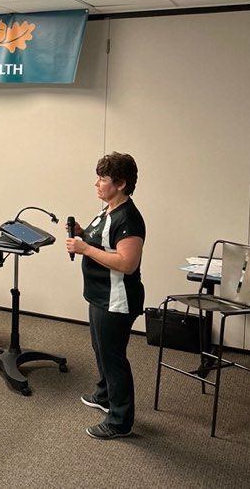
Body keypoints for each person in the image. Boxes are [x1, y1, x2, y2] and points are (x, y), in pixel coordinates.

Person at [66, 152, 145, 441]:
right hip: (100, 295)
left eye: (103, 179)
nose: (96, 184)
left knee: (113, 358)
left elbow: (127, 263)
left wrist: (84, 249)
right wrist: (82, 233)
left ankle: (120, 421)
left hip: (116, 299)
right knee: (100, 349)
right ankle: (104, 395)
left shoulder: (128, 219)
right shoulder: (107, 210)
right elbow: (102, 241)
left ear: (120, 183)